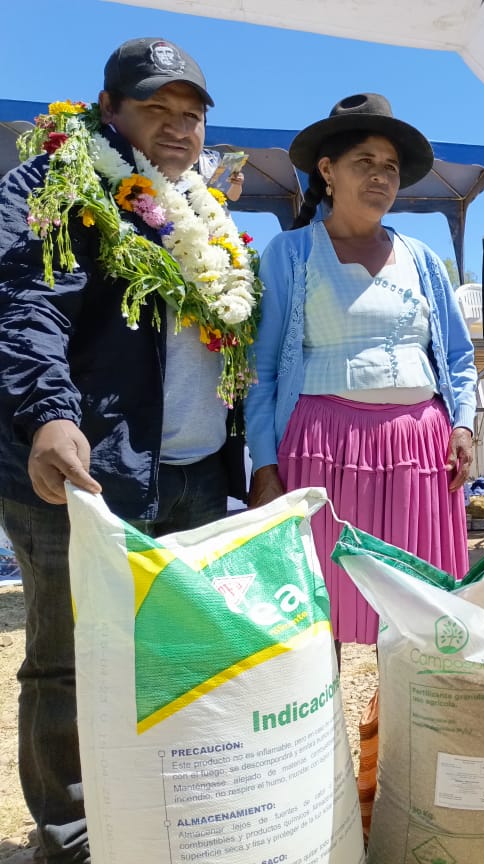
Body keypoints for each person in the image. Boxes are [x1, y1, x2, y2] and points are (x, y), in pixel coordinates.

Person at [0, 38, 252, 863]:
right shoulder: (54, 185)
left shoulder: (204, 213)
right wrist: (47, 416)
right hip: (78, 471)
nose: (178, 128)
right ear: (109, 110)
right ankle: (72, 837)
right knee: (70, 659)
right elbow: (23, 302)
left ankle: (160, 813)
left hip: (190, 470)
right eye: (156, 109)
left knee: (178, 651)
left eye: (190, 114)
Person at [246, 93, 477, 651]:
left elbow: (461, 359)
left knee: (417, 616)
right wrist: (264, 465)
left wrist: (463, 426)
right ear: (327, 171)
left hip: (420, 453)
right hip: (322, 450)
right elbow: (263, 370)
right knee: (318, 613)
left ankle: (404, 736)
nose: (380, 178)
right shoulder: (291, 254)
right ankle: (319, 738)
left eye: (390, 168)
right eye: (364, 163)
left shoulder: (421, 259)